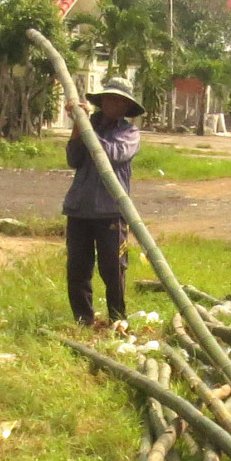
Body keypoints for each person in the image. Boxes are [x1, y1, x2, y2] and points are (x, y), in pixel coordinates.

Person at [61, 77, 142, 327]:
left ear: (126, 107)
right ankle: (83, 320)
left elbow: (113, 154)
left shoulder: (129, 132)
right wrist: (79, 124)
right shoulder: (88, 124)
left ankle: (118, 319)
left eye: (119, 101)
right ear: (102, 101)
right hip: (80, 207)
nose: (113, 104)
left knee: (113, 268)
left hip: (110, 210)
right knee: (78, 268)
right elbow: (73, 159)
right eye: (109, 99)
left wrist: (86, 128)